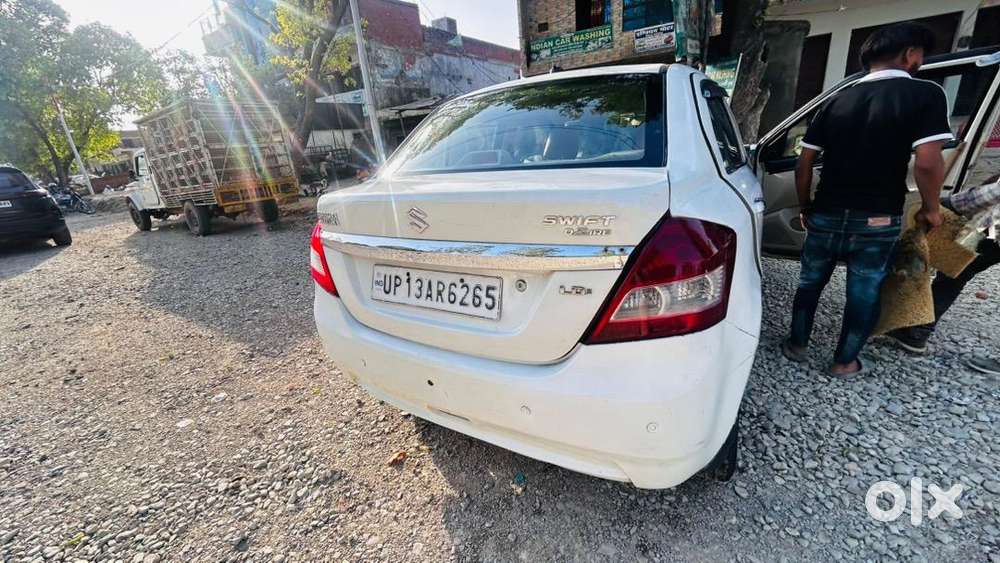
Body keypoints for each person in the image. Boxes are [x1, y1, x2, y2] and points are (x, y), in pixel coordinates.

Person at [781, 22, 951, 377]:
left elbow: (804, 164)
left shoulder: (835, 100)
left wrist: (804, 207)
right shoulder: (926, 94)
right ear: (910, 54)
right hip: (878, 215)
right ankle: (844, 361)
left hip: (826, 210)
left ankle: (796, 344)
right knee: (864, 288)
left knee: (810, 282)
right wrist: (932, 209)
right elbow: (927, 161)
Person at [886, 176, 1000, 375]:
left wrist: (950, 203)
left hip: (991, 229)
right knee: (955, 271)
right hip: (989, 227)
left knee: (954, 271)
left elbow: (992, 193)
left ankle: (917, 331)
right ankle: (916, 331)